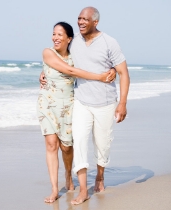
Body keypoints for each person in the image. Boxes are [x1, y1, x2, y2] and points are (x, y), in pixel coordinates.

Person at [40, 7, 130, 205]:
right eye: (79, 18)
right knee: (78, 142)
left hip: (104, 102)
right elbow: (64, 64)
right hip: (80, 101)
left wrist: (122, 102)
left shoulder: (109, 42)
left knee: (102, 144)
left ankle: (99, 176)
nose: (80, 22)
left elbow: (124, 72)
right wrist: (43, 73)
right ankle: (82, 190)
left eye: (85, 19)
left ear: (95, 22)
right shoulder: (74, 42)